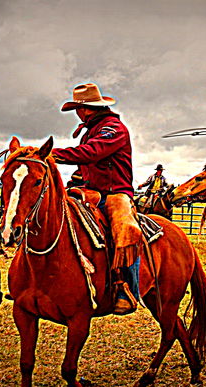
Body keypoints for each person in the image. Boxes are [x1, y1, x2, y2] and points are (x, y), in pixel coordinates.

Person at [52, 83, 142, 315]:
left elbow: (93, 152)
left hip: (116, 193)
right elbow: (88, 163)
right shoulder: (92, 130)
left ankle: (128, 289)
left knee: (124, 229)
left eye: (77, 109)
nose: (77, 114)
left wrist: (52, 154)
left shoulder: (112, 129)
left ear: (85, 110)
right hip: (92, 190)